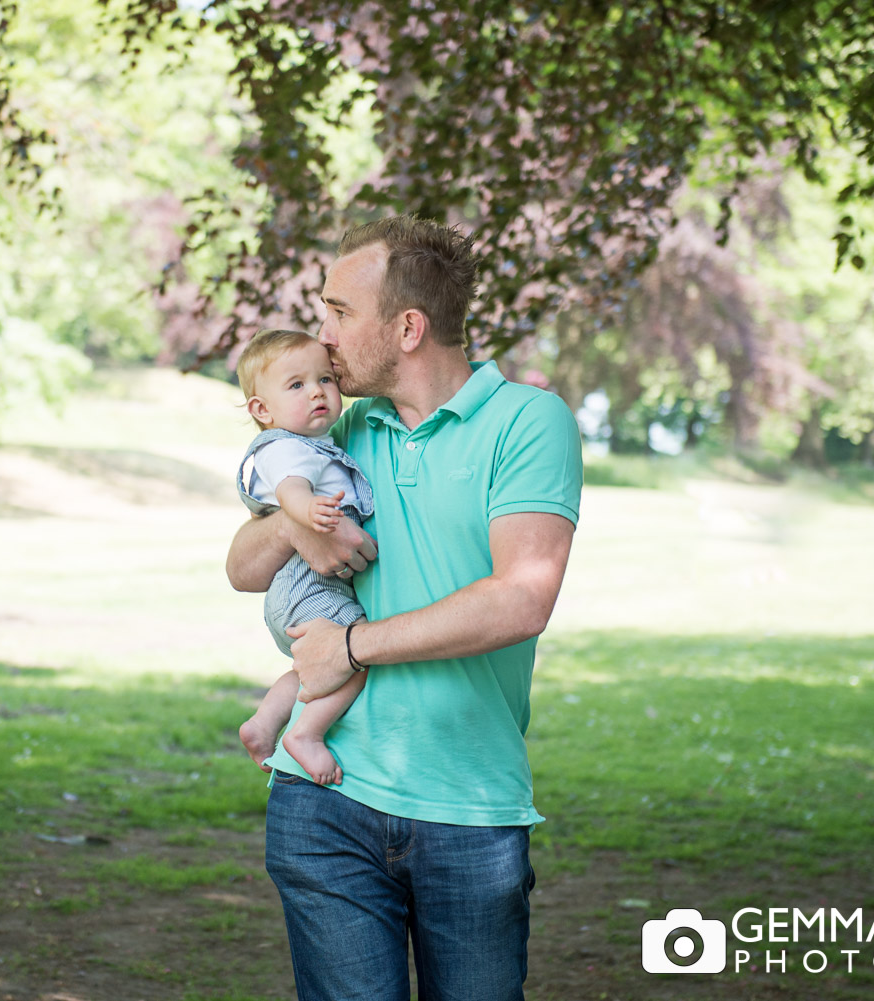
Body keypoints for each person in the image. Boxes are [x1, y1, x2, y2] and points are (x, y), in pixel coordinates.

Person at [226, 216, 583, 1000]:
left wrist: (351, 647)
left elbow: (521, 599)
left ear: (408, 327)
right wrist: (294, 524)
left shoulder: (529, 421)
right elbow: (242, 568)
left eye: (339, 313)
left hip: (468, 806)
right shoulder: (341, 426)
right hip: (323, 801)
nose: (322, 337)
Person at [233, 328, 375, 787]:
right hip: (308, 586)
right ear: (262, 410)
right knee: (356, 653)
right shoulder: (286, 447)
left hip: (298, 593)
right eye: (296, 385)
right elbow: (292, 487)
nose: (317, 391)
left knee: (311, 666)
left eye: (326, 380)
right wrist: (307, 515)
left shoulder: (316, 443)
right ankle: (306, 734)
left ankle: (262, 724)